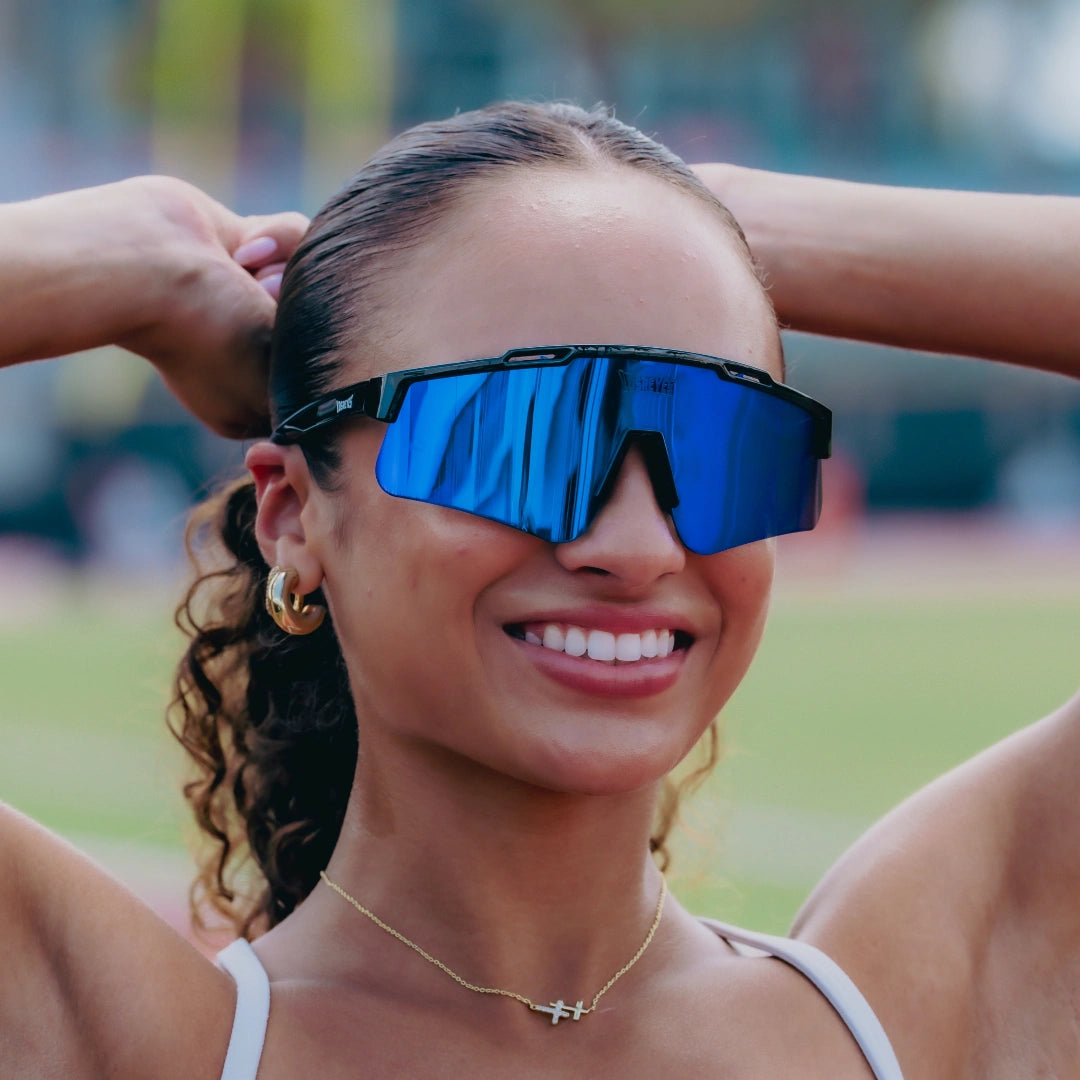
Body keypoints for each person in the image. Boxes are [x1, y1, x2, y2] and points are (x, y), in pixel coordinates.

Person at [0, 102, 1076, 1080]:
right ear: (293, 514)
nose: (638, 543)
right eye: (519, 438)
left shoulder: (908, 1015)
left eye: (721, 442)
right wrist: (140, 259)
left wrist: (725, 222)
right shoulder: (122, 1037)